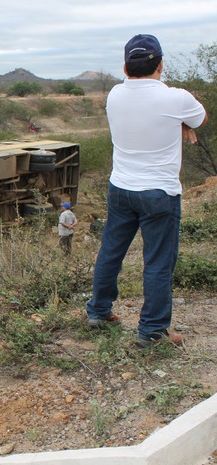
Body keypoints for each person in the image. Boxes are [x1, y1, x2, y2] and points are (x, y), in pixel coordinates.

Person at [85, 34, 208, 349]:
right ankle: (152, 331)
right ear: (161, 65)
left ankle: (98, 311)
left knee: (111, 250)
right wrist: (183, 124)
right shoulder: (175, 98)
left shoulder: (114, 94)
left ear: (125, 68)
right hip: (159, 193)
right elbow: (200, 117)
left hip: (121, 188)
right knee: (158, 261)